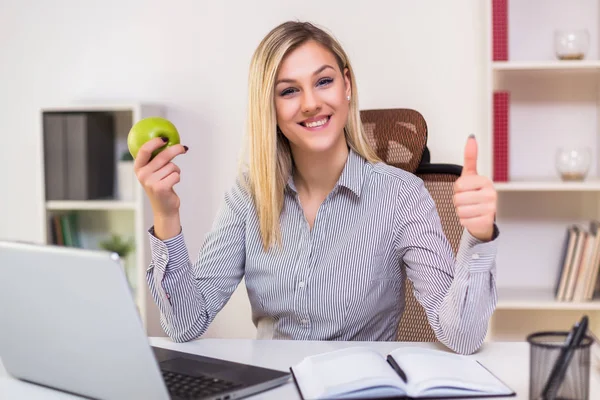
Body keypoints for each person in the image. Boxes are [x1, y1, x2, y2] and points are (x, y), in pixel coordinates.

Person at [134, 21, 499, 355]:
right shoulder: (251, 193)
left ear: (347, 86)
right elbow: (185, 324)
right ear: (270, 108)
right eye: (289, 91)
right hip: (274, 388)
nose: (311, 103)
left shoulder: (401, 196)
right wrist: (166, 215)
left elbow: (461, 337)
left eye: (323, 82)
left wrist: (478, 239)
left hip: (361, 390)